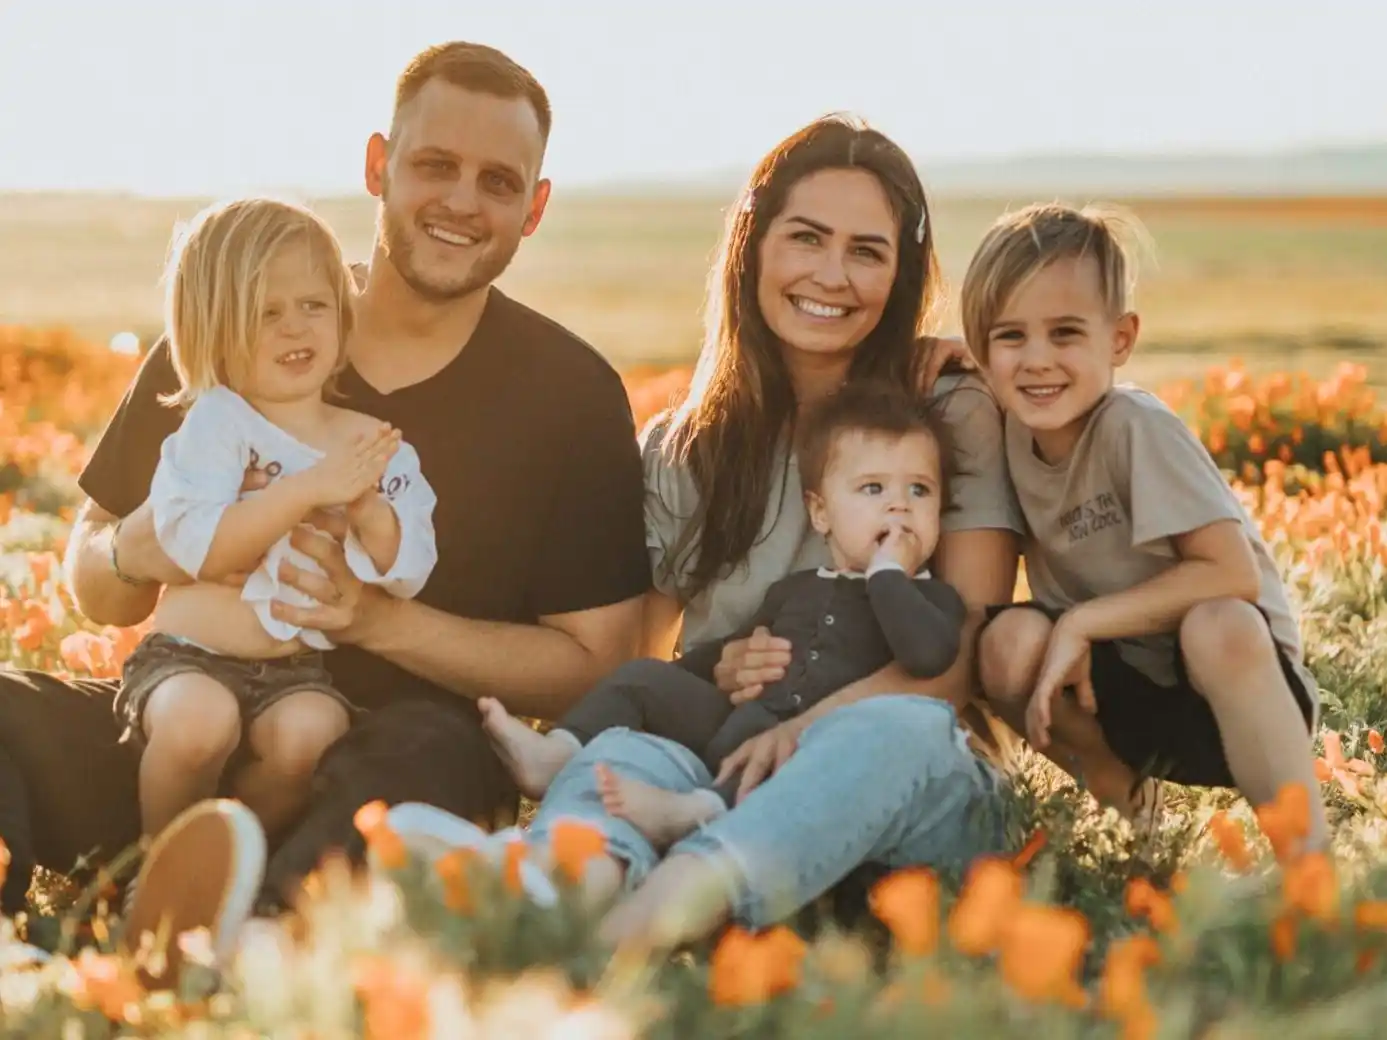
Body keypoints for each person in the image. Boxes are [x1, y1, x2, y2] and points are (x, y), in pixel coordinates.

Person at [1, 40, 651, 983]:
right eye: (435, 166)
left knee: (430, 755)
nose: (462, 202)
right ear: (378, 165)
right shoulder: (240, 323)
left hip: (385, 765)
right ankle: (72, 936)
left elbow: (592, 666)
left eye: (497, 181)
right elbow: (95, 580)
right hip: (184, 729)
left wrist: (376, 619)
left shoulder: (570, 394)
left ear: (534, 208)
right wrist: (143, 547)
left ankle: (241, 943)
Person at [383, 113, 1027, 951]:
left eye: (866, 251)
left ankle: (636, 931)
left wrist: (806, 726)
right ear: (753, 246)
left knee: (887, 730)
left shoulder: (945, 412)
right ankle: (555, 887)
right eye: (805, 238)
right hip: (726, 769)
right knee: (628, 746)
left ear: (900, 273)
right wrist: (714, 667)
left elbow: (960, 662)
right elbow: (633, 659)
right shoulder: (686, 447)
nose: (831, 274)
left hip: (908, 791)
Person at [963, 202, 1327, 852]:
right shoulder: (1007, 435)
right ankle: (1136, 819)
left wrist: (1081, 621)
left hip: (1236, 693)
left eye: (1066, 333)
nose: (1036, 360)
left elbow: (1230, 573)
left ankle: (1307, 867)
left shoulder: (1135, 428)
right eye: (1010, 336)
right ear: (980, 350)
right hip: (1121, 699)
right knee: (1005, 639)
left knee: (1216, 622)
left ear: (1120, 340)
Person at [479, 380, 967, 847]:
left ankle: (696, 810)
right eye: (874, 489)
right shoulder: (795, 590)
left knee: (768, 757)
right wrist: (711, 668)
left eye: (920, 491)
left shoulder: (933, 601)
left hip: (813, 749)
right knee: (643, 678)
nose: (900, 507)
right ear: (821, 514)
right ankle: (556, 753)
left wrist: (888, 575)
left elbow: (926, 654)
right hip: (736, 722)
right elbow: (724, 651)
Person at [118, 195, 439, 847]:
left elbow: (408, 568)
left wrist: (367, 510)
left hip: (294, 671)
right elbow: (201, 549)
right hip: (187, 658)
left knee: (311, 736)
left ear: (343, 317)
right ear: (214, 329)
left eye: (313, 306)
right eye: (266, 313)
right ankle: (153, 868)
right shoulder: (215, 424)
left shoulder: (370, 443)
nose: (295, 328)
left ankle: (230, 862)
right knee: (198, 724)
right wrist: (309, 490)